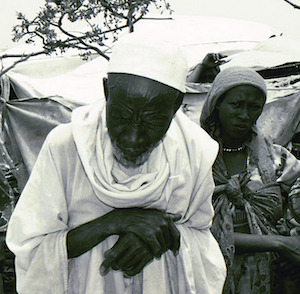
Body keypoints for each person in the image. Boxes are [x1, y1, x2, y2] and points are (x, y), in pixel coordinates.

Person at [6, 35, 226, 293]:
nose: (133, 137)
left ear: (177, 105)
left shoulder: (194, 152)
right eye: (121, 115)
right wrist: (112, 223)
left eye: (152, 121)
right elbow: (31, 252)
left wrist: (160, 238)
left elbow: (201, 243)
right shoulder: (67, 146)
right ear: (107, 91)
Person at [200, 66, 300, 293]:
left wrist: (293, 249)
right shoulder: (196, 160)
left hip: (272, 276)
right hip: (209, 275)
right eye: (236, 105)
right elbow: (191, 229)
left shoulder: (276, 159)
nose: (244, 115)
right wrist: (280, 244)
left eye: (254, 107)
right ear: (216, 105)